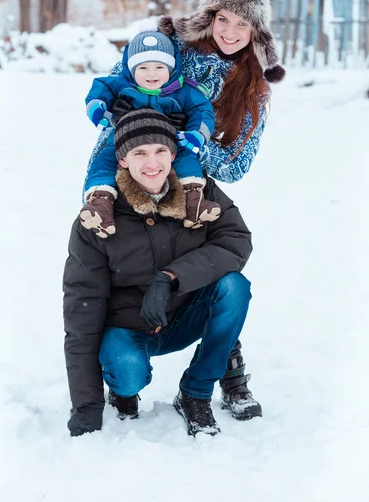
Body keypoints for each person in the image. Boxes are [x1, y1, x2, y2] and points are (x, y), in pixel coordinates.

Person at [84, 0, 285, 420]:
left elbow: (237, 165)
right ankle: (119, 360)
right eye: (225, 19)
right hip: (135, 173)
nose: (231, 32)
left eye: (243, 24)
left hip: (194, 184)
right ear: (210, 16)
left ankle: (221, 374)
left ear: (256, 31)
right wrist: (106, 174)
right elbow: (117, 92)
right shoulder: (171, 46)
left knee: (215, 269)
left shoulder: (254, 88)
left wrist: (187, 139)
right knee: (128, 267)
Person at [63, 109, 253, 437]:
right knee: (127, 369)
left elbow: (236, 240)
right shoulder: (98, 218)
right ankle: (122, 390)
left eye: (160, 151)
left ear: (173, 153)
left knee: (233, 287)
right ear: (122, 160)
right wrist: (86, 404)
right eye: (140, 153)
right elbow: (82, 308)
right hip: (128, 327)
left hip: (185, 314)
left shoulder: (199, 192)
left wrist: (173, 277)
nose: (153, 163)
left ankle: (196, 393)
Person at [80, 23, 220, 237]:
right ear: (131, 70)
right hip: (124, 137)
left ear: (172, 69)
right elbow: (100, 87)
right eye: (143, 68)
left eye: (159, 67)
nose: (151, 74)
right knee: (106, 159)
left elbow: (202, 110)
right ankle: (100, 204)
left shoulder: (182, 92)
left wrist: (195, 134)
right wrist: (98, 108)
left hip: (168, 138)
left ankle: (194, 203)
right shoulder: (123, 85)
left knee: (185, 158)